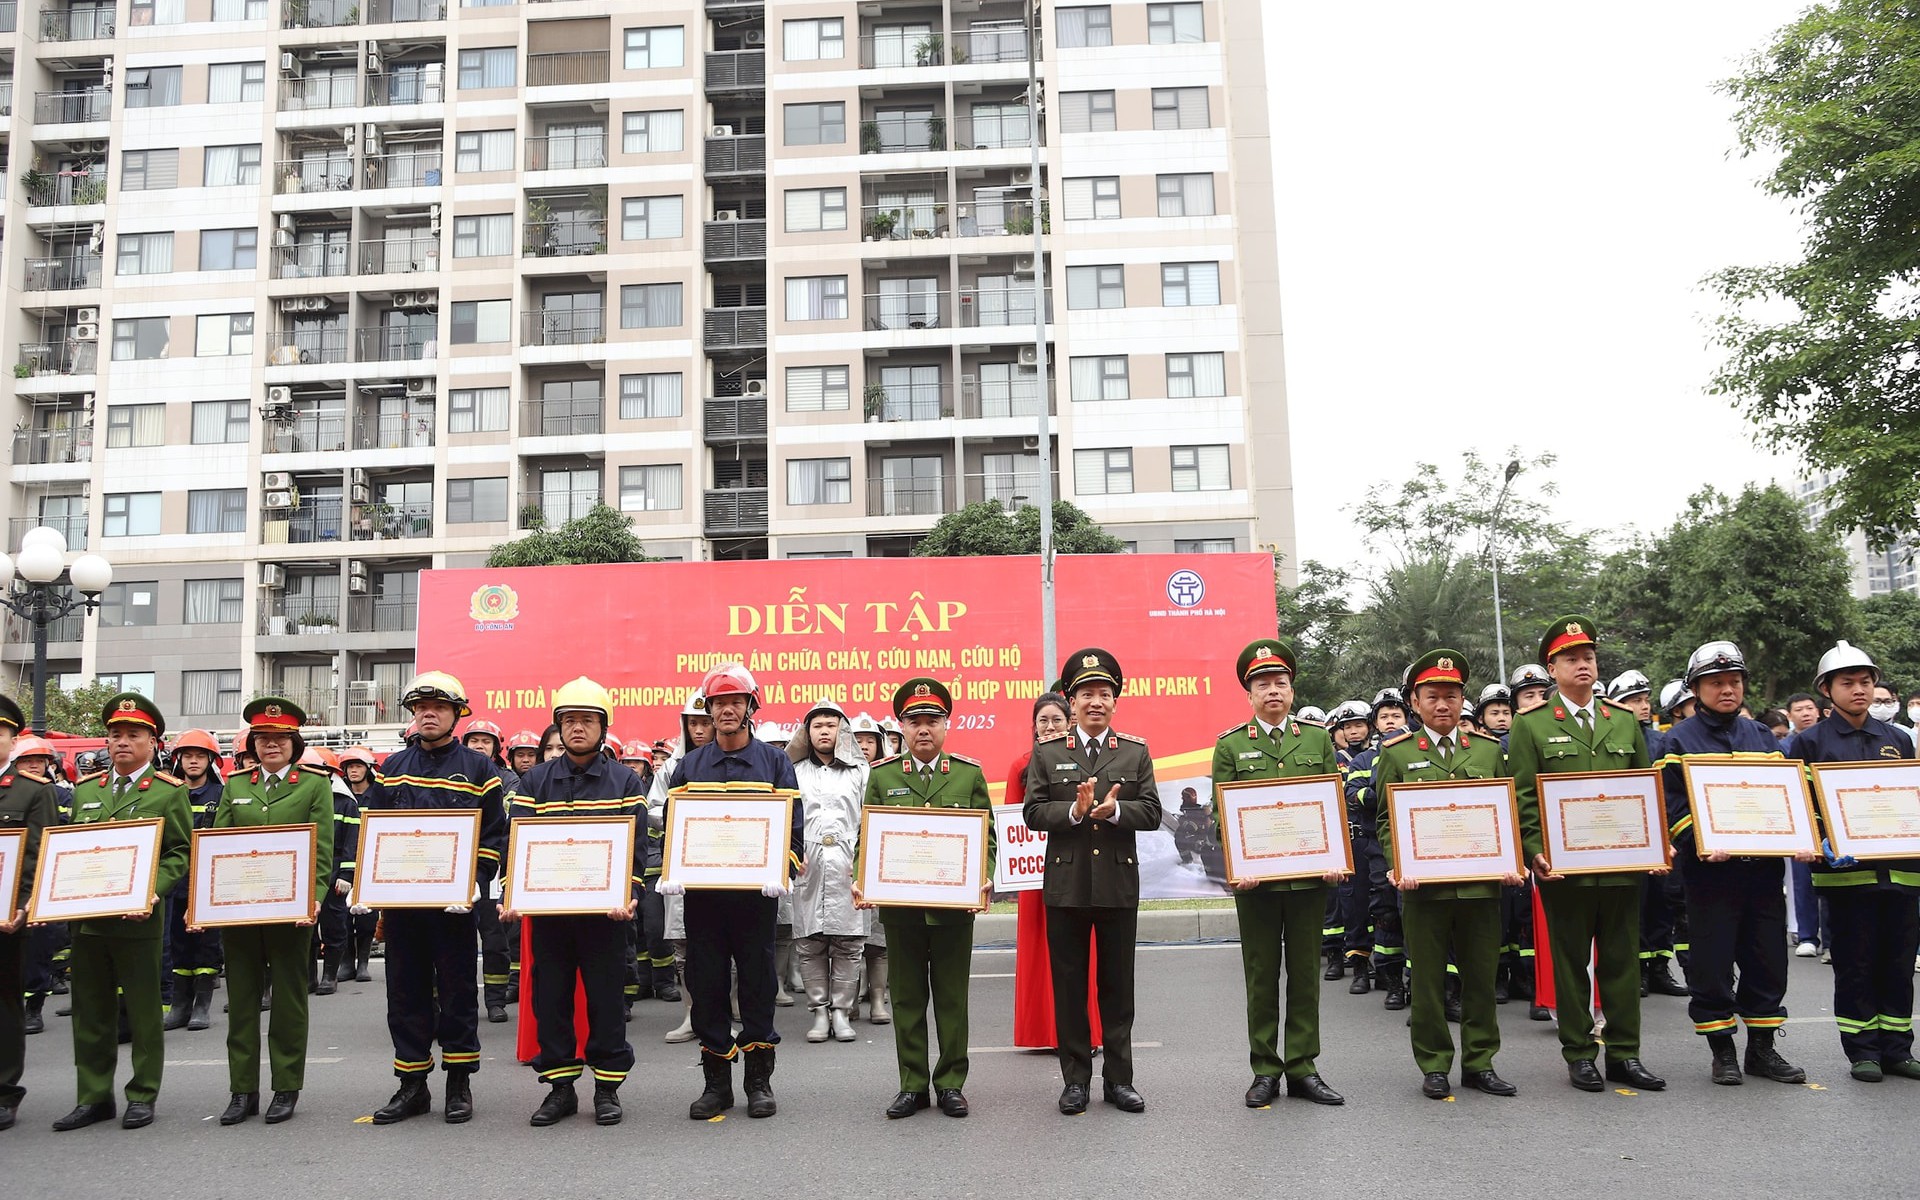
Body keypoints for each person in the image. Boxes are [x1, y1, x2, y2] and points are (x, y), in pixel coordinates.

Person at [1509, 616, 1666, 1094]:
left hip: (1621, 865)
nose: (1583, 665)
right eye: (1572, 659)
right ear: (1551, 668)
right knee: (1570, 962)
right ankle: (1579, 1052)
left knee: (1623, 961)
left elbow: (1645, 790)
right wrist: (1534, 850)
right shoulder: (1530, 725)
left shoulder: (1622, 721)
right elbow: (1523, 797)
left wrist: (1656, 842)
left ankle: (1625, 1053)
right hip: (1563, 870)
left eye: (1589, 657)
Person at [1660, 640, 1812, 1086]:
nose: (1727, 689)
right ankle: (1722, 1052)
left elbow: (1787, 798)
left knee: (1767, 961)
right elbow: (1670, 806)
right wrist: (1700, 840)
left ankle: (1762, 1052)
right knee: (1711, 964)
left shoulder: (1764, 738)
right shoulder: (1678, 740)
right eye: (1715, 683)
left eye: (1734, 681)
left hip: (1761, 873)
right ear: (1696, 689)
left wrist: (1800, 834)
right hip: (1710, 875)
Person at [1375, 650, 1522, 1100]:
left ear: (1464, 701)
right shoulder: (1397, 755)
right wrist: (1398, 863)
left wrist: (1512, 860)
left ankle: (1480, 1062)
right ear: (1415, 702)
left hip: (1481, 887)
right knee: (1429, 980)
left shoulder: (1487, 750)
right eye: (1433, 696)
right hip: (1425, 891)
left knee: (1481, 976)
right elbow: (1386, 820)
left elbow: (1505, 813)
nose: (1443, 705)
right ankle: (1435, 1064)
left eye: (1452, 696)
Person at [362, 672, 507, 1126]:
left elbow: (493, 835)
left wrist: (472, 884)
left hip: (453, 907)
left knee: (460, 992)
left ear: (456, 714)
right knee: (404, 995)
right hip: (404, 907)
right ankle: (412, 1086)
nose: (428, 713)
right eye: (420, 707)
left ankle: (458, 1082)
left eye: (439, 707)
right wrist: (368, 885)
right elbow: (374, 829)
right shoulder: (390, 766)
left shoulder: (480, 769)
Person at [661, 663, 803, 1120]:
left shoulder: (774, 762)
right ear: (708, 710)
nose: (725, 710)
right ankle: (716, 1083)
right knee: (707, 984)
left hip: (754, 899)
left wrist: (783, 868)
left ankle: (758, 1082)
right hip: (702, 898)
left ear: (750, 707)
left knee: (759, 983)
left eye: (734, 702)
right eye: (718, 703)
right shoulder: (690, 765)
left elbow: (793, 829)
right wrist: (671, 868)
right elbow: (672, 828)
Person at [1024, 648, 1163, 1115]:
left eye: (1105, 694)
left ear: (1115, 702)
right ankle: (1075, 1081)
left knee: (1117, 988)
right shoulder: (1047, 753)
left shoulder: (1135, 751)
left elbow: (1153, 812)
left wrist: (1117, 810)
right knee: (1069, 987)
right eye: (1087, 694)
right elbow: (1033, 812)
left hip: (1118, 886)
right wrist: (1075, 811)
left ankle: (1120, 1080)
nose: (1096, 702)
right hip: (1067, 886)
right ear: (1072, 700)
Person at [1211, 639, 1347, 1108]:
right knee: (1262, 976)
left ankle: (1304, 1068)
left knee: (1306, 974)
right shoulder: (1230, 745)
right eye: (1263, 683)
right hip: (1257, 885)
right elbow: (1220, 817)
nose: (1272, 690)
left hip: (1309, 881)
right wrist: (1239, 865)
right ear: (1249, 693)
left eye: (1280, 683)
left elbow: (1333, 807)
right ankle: (1265, 1069)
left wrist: (1335, 855)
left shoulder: (1316, 740)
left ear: (1291, 690)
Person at [505, 678, 647, 1127]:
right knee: (551, 1001)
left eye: (587, 720)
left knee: (607, 1002)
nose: (578, 728)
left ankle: (607, 1089)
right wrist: (512, 894)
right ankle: (560, 1089)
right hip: (550, 917)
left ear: (603, 727)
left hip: (605, 917)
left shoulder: (624, 780)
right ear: (558, 728)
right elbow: (517, 842)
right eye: (569, 721)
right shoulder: (535, 780)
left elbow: (637, 847)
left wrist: (632, 895)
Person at [51, 692, 192, 1132]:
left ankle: (142, 1094)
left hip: (139, 921)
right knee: (90, 1012)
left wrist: (152, 891)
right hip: (90, 922)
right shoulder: (86, 791)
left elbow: (179, 853)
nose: (122, 743)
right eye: (115, 735)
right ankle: (93, 1097)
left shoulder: (169, 794)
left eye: (133, 735)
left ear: (153, 742)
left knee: (145, 1011)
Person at [859, 679, 995, 1118]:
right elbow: (868, 837)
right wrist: (863, 877)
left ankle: (951, 1083)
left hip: (954, 911)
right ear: (901, 726)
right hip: (901, 910)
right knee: (907, 998)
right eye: (914, 721)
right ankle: (912, 1084)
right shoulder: (881, 776)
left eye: (932, 721)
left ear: (946, 725)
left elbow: (986, 838)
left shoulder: (968, 774)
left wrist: (985, 876)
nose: (923, 729)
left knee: (953, 999)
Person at [1786, 641, 1920, 1082]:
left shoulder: (1898, 739)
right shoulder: (1808, 742)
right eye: (1848, 683)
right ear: (1827, 689)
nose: (1859, 690)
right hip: (1845, 877)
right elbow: (1799, 806)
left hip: (1902, 871)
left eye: (1866, 682)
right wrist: (1819, 839)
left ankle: (1898, 1048)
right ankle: (1863, 1049)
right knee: (1855, 963)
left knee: (1899, 963)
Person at [208, 698, 334, 1126]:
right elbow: (217, 846)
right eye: (263, 739)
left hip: (291, 912)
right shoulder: (236, 786)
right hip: (240, 912)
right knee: (241, 1003)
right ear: (252, 744)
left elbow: (320, 853)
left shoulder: (314, 786)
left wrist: (313, 899)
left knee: (289, 1004)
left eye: (280, 738)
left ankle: (286, 1087)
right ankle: (242, 1090)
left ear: (294, 743)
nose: (271, 745)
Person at [1009, 693, 1103, 1051]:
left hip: (1078, 871)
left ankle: (1085, 1033)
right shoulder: (1020, 764)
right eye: (1043, 721)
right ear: (1034, 726)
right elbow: (1012, 820)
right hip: (1034, 874)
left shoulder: (1084, 760)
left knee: (1080, 953)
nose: (1050, 727)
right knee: (1041, 951)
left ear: (1071, 723)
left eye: (1057, 720)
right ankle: (1043, 1033)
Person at [786, 701, 868, 1045]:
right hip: (808, 860)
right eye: (817, 725)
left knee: (849, 943)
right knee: (810, 942)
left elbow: (873, 818)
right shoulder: (794, 771)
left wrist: (865, 864)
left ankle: (841, 1011)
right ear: (807, 732)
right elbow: (784, 817)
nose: (824, 731)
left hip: (848, 860)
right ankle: (819, 1011)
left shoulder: (860, 772)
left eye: (831, 725)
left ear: (842, 731)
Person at [0, 698, 60, 1132]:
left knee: (4, 1008)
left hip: (7, 918)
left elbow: (39, 854)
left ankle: (4, 1092)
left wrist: (23, 905)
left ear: (12, 740)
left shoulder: (30, 791)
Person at [649, 693, 715, 1044]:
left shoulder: (727, 762)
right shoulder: (671, 767)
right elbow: (653, 808)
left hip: (720, 865)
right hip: (681, 864)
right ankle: (691, 1014)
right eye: (694, 723)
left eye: (706, 722)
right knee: (684, 944)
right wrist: (684, 817)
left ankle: (719, 1013)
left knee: (721, 944)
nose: (701, 729)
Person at [1341, 692, 1412, 1008]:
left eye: (1396, 716)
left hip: (1417, 845)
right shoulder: (1363, 761)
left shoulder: (1417, 751)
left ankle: (1424, 984)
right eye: (1384, 718)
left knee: (1415, 915)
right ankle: (1393, 981)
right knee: (1384, 913)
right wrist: (1383, 795)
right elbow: (1353, 795)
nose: (1391, 722)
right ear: (1375, 725)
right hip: (1378, 847)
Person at [162, 730, 225, 1032]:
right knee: (178, 945)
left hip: (208, 884)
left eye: (200, 756)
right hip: (176, 883)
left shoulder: (220, 796)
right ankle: (179, 1005)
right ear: (178, 760)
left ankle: (202, 1005)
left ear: (211, 760)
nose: (194, 761)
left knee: (206, 946)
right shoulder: (170, 792)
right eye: (188, 756)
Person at [303, 747, 358, 998]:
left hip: (334, 868)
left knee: (334, 923)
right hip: (305, 867)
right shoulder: (300, 797)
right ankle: (310, 977)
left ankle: (330, 975)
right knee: (305, 926)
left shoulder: (345, 803)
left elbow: (351, 842)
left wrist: (346, 875)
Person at [336, 747, 380, 983]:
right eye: (350, 767)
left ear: (368, 769)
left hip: (370, 864)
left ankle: (363, 962)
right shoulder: (342, 797)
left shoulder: (378, 796)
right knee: (342, 916)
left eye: (358, 766)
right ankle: (346, 962)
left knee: (366, 917)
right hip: (344, 861)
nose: (353, 771)